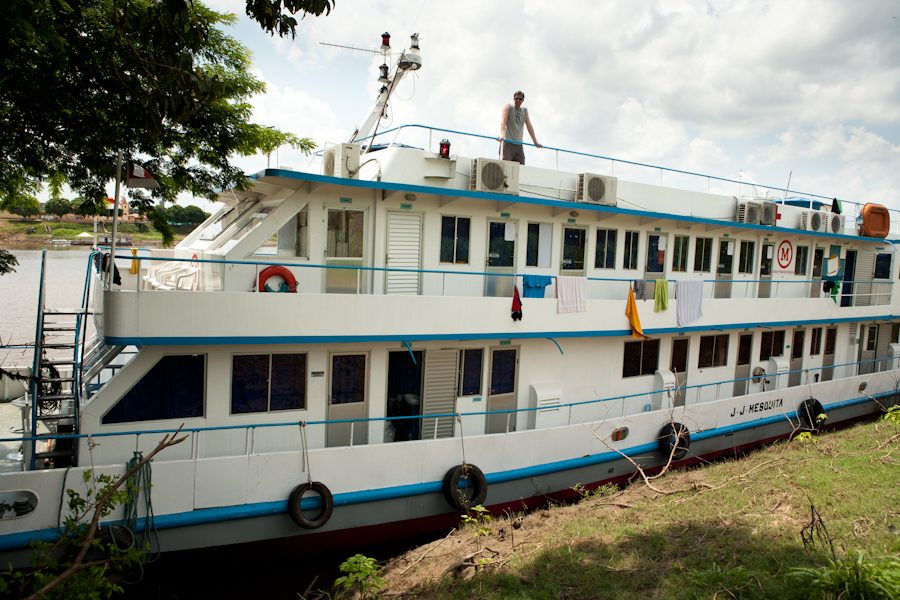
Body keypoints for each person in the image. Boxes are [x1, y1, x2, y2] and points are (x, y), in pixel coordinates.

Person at [499, 91, 541, 164]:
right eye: (516, 98)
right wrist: (502, 135)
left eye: (520, 99)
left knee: (520, 167)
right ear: (513, 99)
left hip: (519, 144)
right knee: (506, 166)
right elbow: (503, 120)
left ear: (523, 100)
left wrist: (535, 142)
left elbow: (529, 126)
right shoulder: (508, 107)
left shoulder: (524, 110)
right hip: (508, 142)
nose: (518, 100)